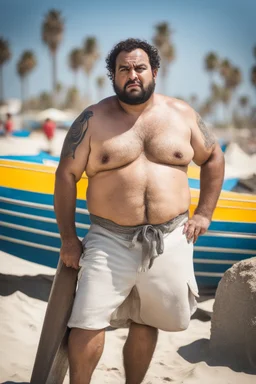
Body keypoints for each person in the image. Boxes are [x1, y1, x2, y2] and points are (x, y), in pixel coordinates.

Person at [54, 38, 224, 384]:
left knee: (149, 319)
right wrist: (69, 238)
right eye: (124, 69)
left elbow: (213, 158)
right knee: (87, 318)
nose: (132, 74)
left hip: (169, 236)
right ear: (113, 76)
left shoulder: (183, 115)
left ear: (154, 72)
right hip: (108, 237)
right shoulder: (92, 119)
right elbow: (66, 176)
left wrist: (204, 213)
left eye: (139, 67)